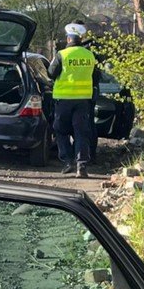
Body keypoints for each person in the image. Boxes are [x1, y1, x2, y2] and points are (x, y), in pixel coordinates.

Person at [49, 22, 99, 177]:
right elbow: (96, 77)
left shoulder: (62, 55)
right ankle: (81, 166)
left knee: (60, 130)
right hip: (83, 100)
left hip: (64, 100)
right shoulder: (89, 55)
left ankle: (68, 161)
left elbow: (51, 73)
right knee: (81, 133)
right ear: (81, 38)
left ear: (69, 39)